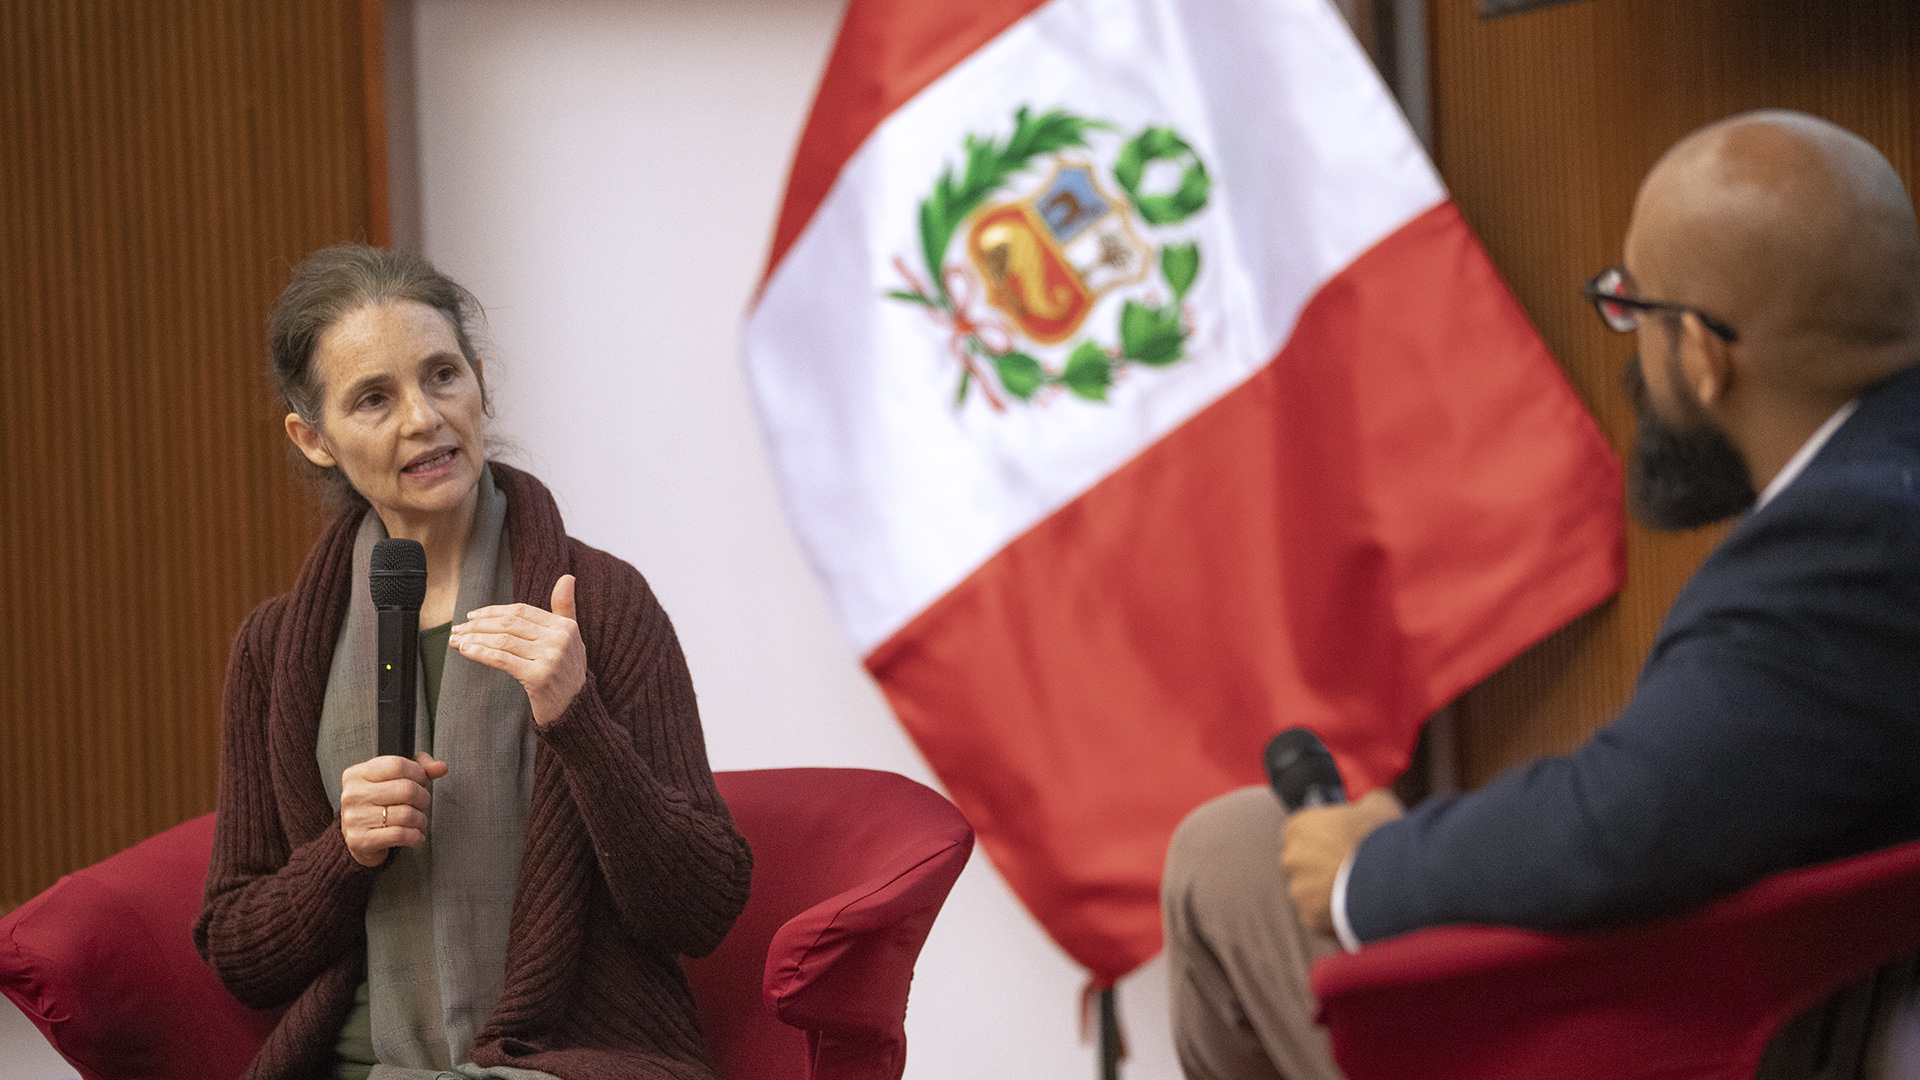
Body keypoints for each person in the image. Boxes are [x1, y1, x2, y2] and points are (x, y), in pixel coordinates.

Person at [1161, 110, 1920, 1080]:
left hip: (1701, 1038)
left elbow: (1628, 819)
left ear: (1699, 352)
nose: (1628, 351)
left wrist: (1369, 868)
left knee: (1230, 852)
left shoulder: (1844, 550)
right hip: (1782, 990)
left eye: (1630, 310)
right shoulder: (1884, 483)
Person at [193, 244, 753, 1080]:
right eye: (374, 399)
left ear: (480, 383)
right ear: (313, 439)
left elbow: (702, 907)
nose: (424, 417)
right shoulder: (276, 651)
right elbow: (240, 952)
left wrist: (578, 720)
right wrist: (343, 851)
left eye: (442, 376)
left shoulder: (599, 602)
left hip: (555, 1064)